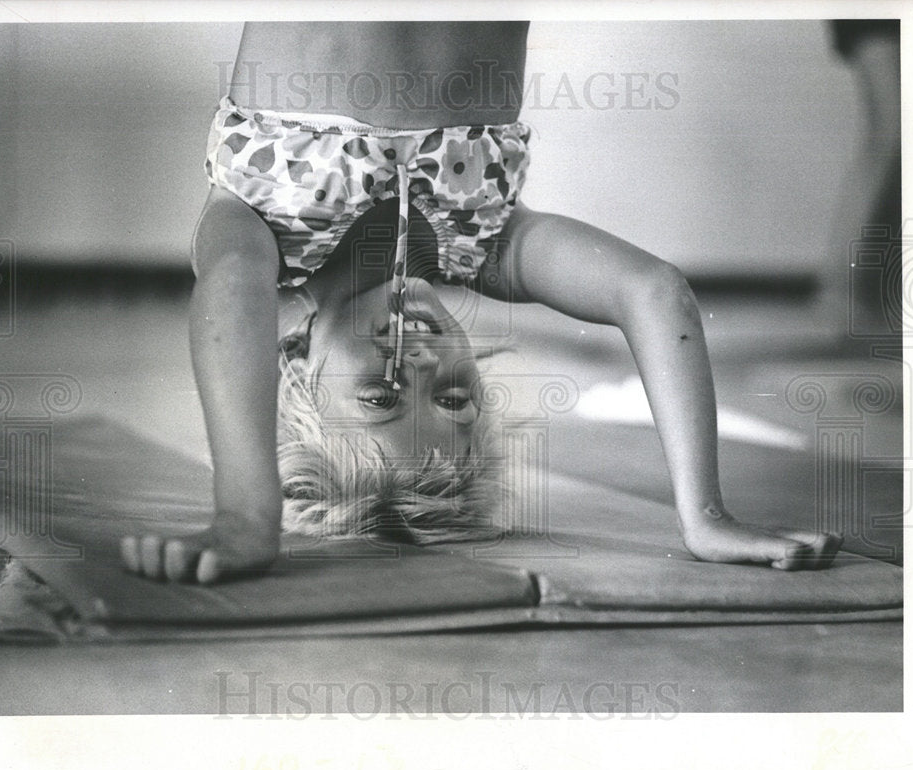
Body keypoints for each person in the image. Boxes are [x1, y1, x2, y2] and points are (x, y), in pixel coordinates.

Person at [120, 21, 842, 584]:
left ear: (294, 366)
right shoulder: (484, 239)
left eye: (383, 393)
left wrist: (248, 511)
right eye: (458, 396)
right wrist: (703, 514)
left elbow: (227, 303)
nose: (425, 362)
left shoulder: (253, 231)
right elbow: (654, 292)